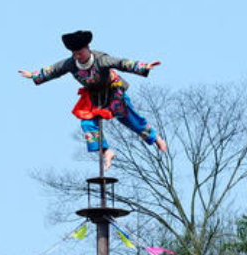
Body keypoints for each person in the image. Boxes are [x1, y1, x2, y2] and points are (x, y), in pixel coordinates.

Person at [19, 29, 167, 171]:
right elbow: (54, 70)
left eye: (80, 53)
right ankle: (106, 151)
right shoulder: (71, 63)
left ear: (88, 48)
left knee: (128, 117)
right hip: (93, 96)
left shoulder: (101, 59)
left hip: (113, 91)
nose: (77, 56)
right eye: (74, 54)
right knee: (87, 123)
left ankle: (155, 138)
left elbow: (120, 63)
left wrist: (143, 67)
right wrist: (34, 75)